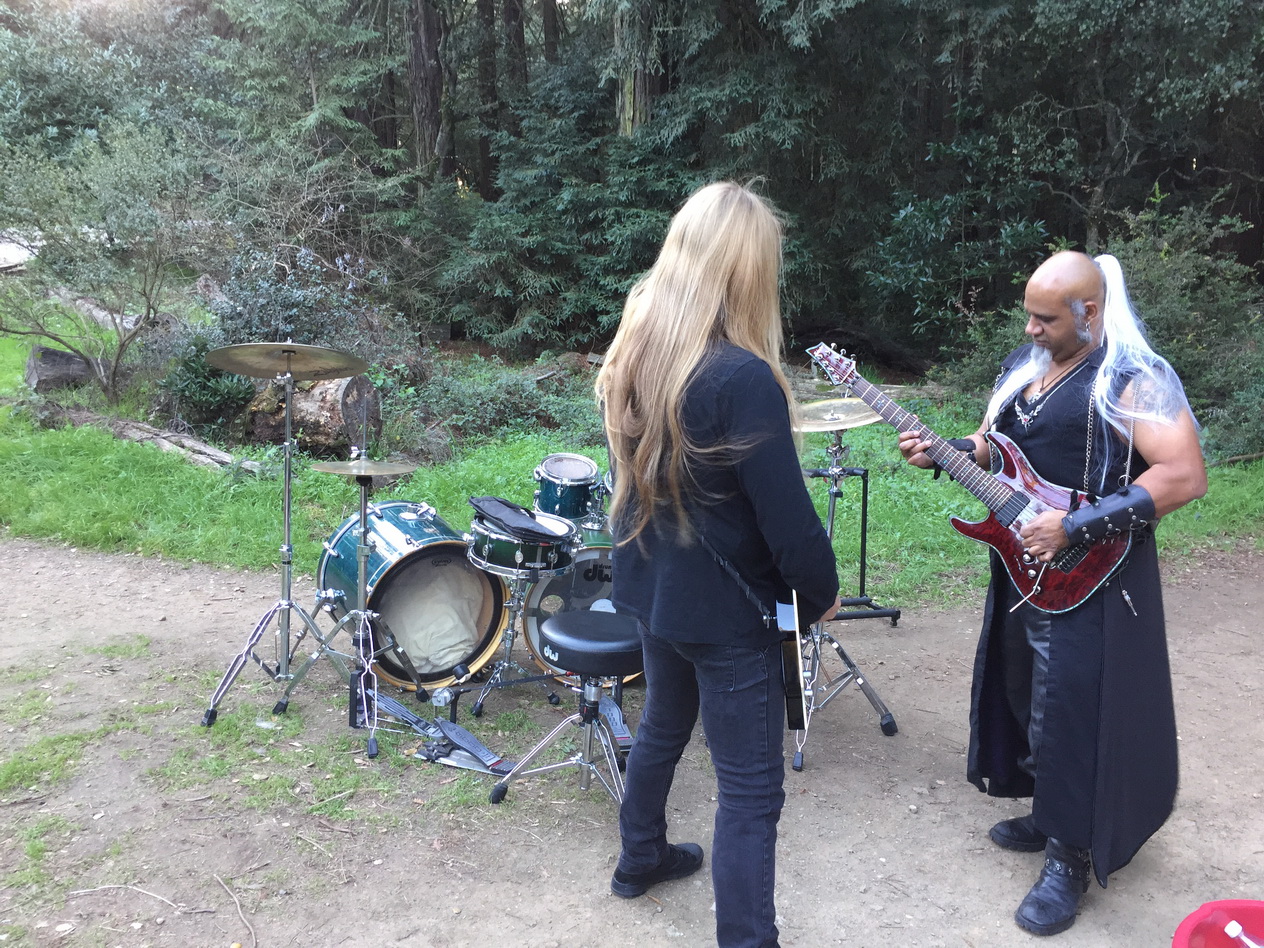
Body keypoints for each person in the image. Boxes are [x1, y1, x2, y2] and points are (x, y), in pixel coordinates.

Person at [897, 251, 1207, 936]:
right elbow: (999, 443)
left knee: (1074, 707)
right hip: (1024, 562)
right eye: (1028, 315)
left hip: (1095, 569)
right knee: (1025, 690)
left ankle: (1071, 855)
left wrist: (1076, 526)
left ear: (1088, 313)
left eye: (1045, 319)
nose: (1031, 329)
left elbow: (1183, 475)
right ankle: (1049, 811)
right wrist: (950, 450)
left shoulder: (1132, 376)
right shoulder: (1028, 365)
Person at [595, 181, 840, 948]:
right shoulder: (742, 377)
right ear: (747, 269)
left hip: (654, 590)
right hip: (728, 615)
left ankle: (640, 856)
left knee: (663, 725)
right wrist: (820, 594)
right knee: (751, 792)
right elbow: (788, 524)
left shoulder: (636, 351)